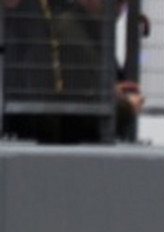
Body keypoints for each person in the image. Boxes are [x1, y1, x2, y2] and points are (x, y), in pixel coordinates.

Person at [2, 0, 143, 143]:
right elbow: (77, 107)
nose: (118, 9)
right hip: (44, 135)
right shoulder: (65, 28)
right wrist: (125, 109)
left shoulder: (77, 27)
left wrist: (112, 94)